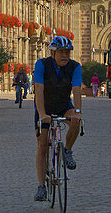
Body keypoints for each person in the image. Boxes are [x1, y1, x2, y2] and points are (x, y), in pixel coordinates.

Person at [33, 36, 82, 202]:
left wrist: (77, 111)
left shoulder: (75, 67)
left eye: (67, 52)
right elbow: (38, 90)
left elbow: (76, 90)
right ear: (52, 53)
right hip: (43, 107)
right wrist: (42, 114)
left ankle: (67, 150)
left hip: (63, 105)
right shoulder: (42, 65)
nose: (65, 56)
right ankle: (41, 186)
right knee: (42, 145)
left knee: (76, 121)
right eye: (61, 52)